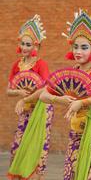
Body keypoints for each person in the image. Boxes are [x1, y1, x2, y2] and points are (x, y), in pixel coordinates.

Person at [39, 9, 91, 179]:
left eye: (84, 47)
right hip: (77, 129)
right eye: (75, 46)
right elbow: (43, 96)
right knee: (73, 174)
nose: (78, 51)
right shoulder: (68, 75)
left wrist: (82, 102)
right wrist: (59, 99)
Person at [7, 15, 54, 180]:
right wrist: (19, 93)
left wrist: (25, 99)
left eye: (29, 44)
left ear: (37, 45)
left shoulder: (41, 65)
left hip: (41, 109)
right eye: (23, 43)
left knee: (36, 147)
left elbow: (45, 89)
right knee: (18, 146)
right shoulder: (16, 65)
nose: (25, 47)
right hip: (25, 110)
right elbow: (9, 90)